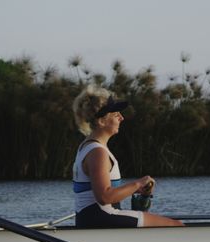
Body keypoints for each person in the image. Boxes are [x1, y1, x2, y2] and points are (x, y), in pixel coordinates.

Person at [71, 85, 182, 227]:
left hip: (91, 219)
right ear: (101, 121)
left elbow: (103, 192)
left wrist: (136, 190)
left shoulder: (86, 147)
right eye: (116, 114)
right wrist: (138, 183)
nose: (122, 118)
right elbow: (104, 197)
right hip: (101, 217)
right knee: (176, 225)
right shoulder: (97, 152)